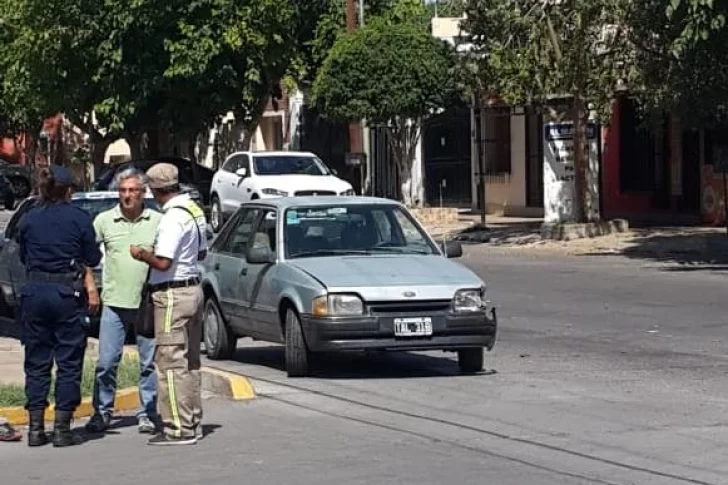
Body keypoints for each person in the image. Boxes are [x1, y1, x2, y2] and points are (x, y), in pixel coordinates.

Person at [18, 164, 102, 447]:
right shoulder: (78, 218)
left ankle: (35, 428)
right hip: (66, 293)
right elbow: (92, 256)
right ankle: (62, 428)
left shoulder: (29, 219)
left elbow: (23, 256)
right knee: (68, 360)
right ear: (68, 191)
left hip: (34, 292)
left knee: (37, 361)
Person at [130, 163, 207, 446]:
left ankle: (177, 427)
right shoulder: (194, 210)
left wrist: (141, 254)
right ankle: (192, 420)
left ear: (155, 189)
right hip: (192, 289)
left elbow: (163, 261)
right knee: (190, 363)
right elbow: (202, 251)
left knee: (170, 364)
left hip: (172, 295)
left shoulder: (173, 217)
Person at [85, 168, 162, 435]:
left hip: (147, 305)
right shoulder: (104, 220)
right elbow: (86, 256)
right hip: (114, 303)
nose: (127, 195)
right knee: (106, 362)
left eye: (132, 191)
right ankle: (102, 411)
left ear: (143, 193)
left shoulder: (157, 221)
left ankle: (148, 413)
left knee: (148, 363)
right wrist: (91, 287)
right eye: (123, 191)